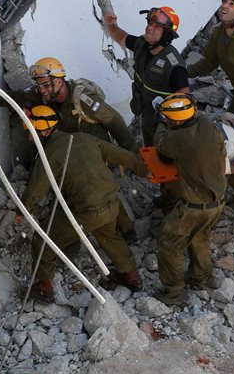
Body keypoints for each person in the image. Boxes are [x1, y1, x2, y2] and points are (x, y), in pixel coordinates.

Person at [18, 106, 147, 303]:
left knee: (43, 239)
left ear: (43, 132)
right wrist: (144, 170)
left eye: (31, 133)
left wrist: (22, 211)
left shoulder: (49, 155)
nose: (29, 138)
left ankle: (44, 287)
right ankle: (132, 277)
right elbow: (122, 155)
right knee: (109, 236)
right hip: (112, 204)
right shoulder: (85, 138)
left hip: (88, 211)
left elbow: (35, 191)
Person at [153, 93, 227, 305]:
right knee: (199, 236)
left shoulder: (177, 138)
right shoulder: (206, 122)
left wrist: (159, 124)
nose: (165, 120)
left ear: (175, 120)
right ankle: (201, 278)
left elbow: (161, 144)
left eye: (167, 118)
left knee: (169, 243)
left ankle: (173, 292)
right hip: (218, 200)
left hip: (194, 206)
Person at [0, 56, 135, 151]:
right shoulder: (42, 95)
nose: (42, 90)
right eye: (39, 85)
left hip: (95, 151)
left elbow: (114, 121)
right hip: (70, 147)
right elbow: (15, 98)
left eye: (46, 85)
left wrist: (131, 151)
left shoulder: (82, 100)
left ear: (59, 81)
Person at [102, 6, 191, 146]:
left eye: (157, 26)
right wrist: (111, 25)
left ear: (167, 34)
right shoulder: (142, 45)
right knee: (149, 145)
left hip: (164, 120)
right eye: (150, 23)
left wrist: (171, 121)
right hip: (144, 109)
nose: (150, 28)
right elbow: (122, 37)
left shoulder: (173, 63)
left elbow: (184, 98)